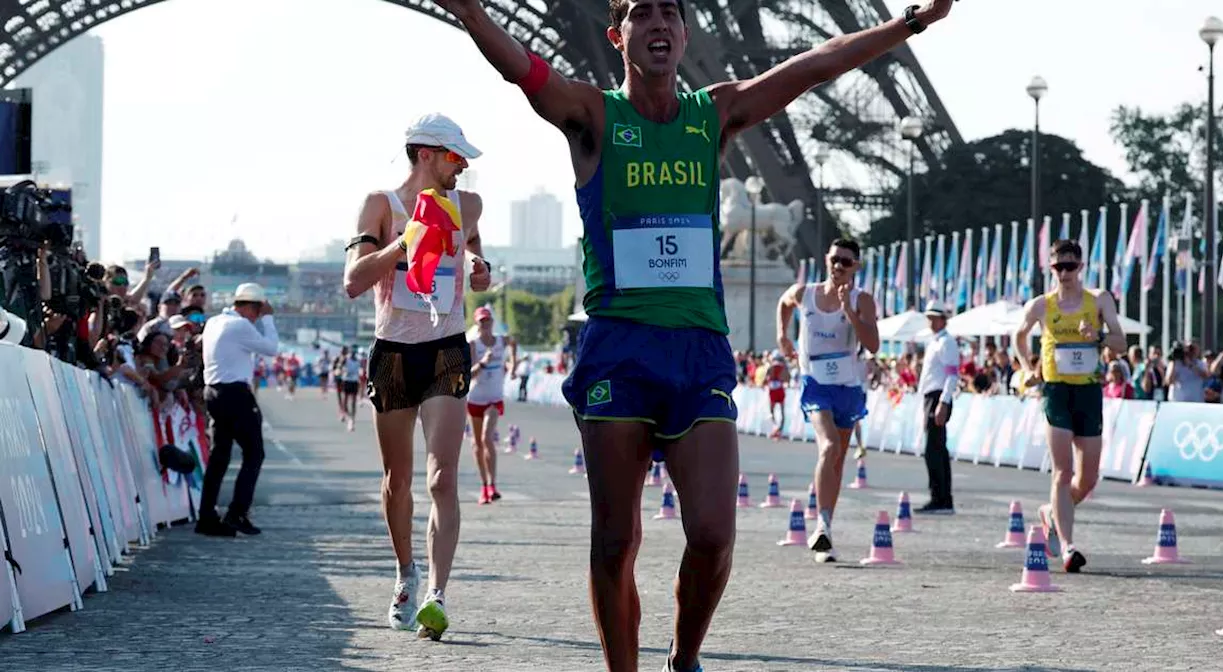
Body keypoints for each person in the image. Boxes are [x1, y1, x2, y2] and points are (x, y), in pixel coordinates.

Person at [437, 0, 958, 667]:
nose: (658, 23)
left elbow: (813, 67)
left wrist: (908, 23)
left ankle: (684, 658)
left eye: (671, 14)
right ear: (616, 34)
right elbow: (524, 68)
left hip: (699, 352)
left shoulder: (712, 114)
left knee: (713, 533)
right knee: (615, 541)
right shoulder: (595, 116)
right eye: (642, 13)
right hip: (619, 350)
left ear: (686, 34)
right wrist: (470, 10)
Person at [342, 112, 490, 640]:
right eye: (455, 156)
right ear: (425, 153)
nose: (463, 165)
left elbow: (476, 258)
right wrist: (404, 243)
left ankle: (437, 593)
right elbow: (354, 281)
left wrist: (480, 269)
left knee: (442, 478)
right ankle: (405, 572)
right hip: (394, 352)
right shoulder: (380, 204)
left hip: (447, 347)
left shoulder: (467, 205)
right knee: (397, 481)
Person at [1014, 239, 1126, 573]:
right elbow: (1019, 336)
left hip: (1089, 391)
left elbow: (1121, 342)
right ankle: (1068, 546)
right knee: (1062, 472)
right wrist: (1026, 367)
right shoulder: (1041, 305)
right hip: (1056, 391)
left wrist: (1098, 337)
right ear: (1051, 269)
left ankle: (1052, 512)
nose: (1064, 273)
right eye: (1058, 267)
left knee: (1087, 479)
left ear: (1081, 267)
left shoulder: (1099, 300)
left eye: (1070, 266)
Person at [776, 239, 879, 563]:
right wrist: (782, 334)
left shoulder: (862, 299)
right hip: (815, 382)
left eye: (846, 262)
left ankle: (826, 530)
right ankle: (820, 524)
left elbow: (873, 344)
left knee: (837, 461)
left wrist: (849, 310)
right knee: (829, 446)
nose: (838, 266)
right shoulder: (804, 292)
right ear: (826, 258)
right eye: (835, 259)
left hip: (847, 384)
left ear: (855, 267)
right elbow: (783, 302)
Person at [198, 282, 279, 537]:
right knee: (255, 453)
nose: (258, 316)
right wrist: (269, 319)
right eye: (258, 310)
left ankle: (207, 516)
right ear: (252, 307)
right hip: (235, 393)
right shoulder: (241, 325)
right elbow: (271, 348)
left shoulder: (214, 322)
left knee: (219, 456)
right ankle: (237, 512)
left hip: (212, 391)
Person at [466, 306, 516, 504]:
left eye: (488, 321)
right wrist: (483, 363)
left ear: (492, 322)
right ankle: (484, 484)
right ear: (477, 324)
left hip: (494, 399)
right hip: (475, 398)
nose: (485, 324)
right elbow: (470, 374)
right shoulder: (473, 344)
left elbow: (514, 342)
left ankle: (493, 484)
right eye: (481, 321)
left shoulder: (500, 341)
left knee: (487, 438)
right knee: (477, 443)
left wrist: (513, 366)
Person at [915, 300, 959, 514]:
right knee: (937, 448)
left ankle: (940, 498)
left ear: (943, 320)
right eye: (929, 317)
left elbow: (952, 375)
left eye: (935, 318)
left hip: (938, 396)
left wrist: (944, 401)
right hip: (931, 395)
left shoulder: (946, 343)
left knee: (933, 449)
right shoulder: (934, 342)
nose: (931, 321)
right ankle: (942, 497)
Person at [762, 352, 790, 439]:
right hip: (780, 387)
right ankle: (779, 429)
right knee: (782, 410)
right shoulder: (784, 367)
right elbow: (787, 378)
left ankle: (775, 427)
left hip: (772, 388)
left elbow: (766, 378)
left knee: (771, 410)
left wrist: (764, 384)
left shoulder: (771, 366)